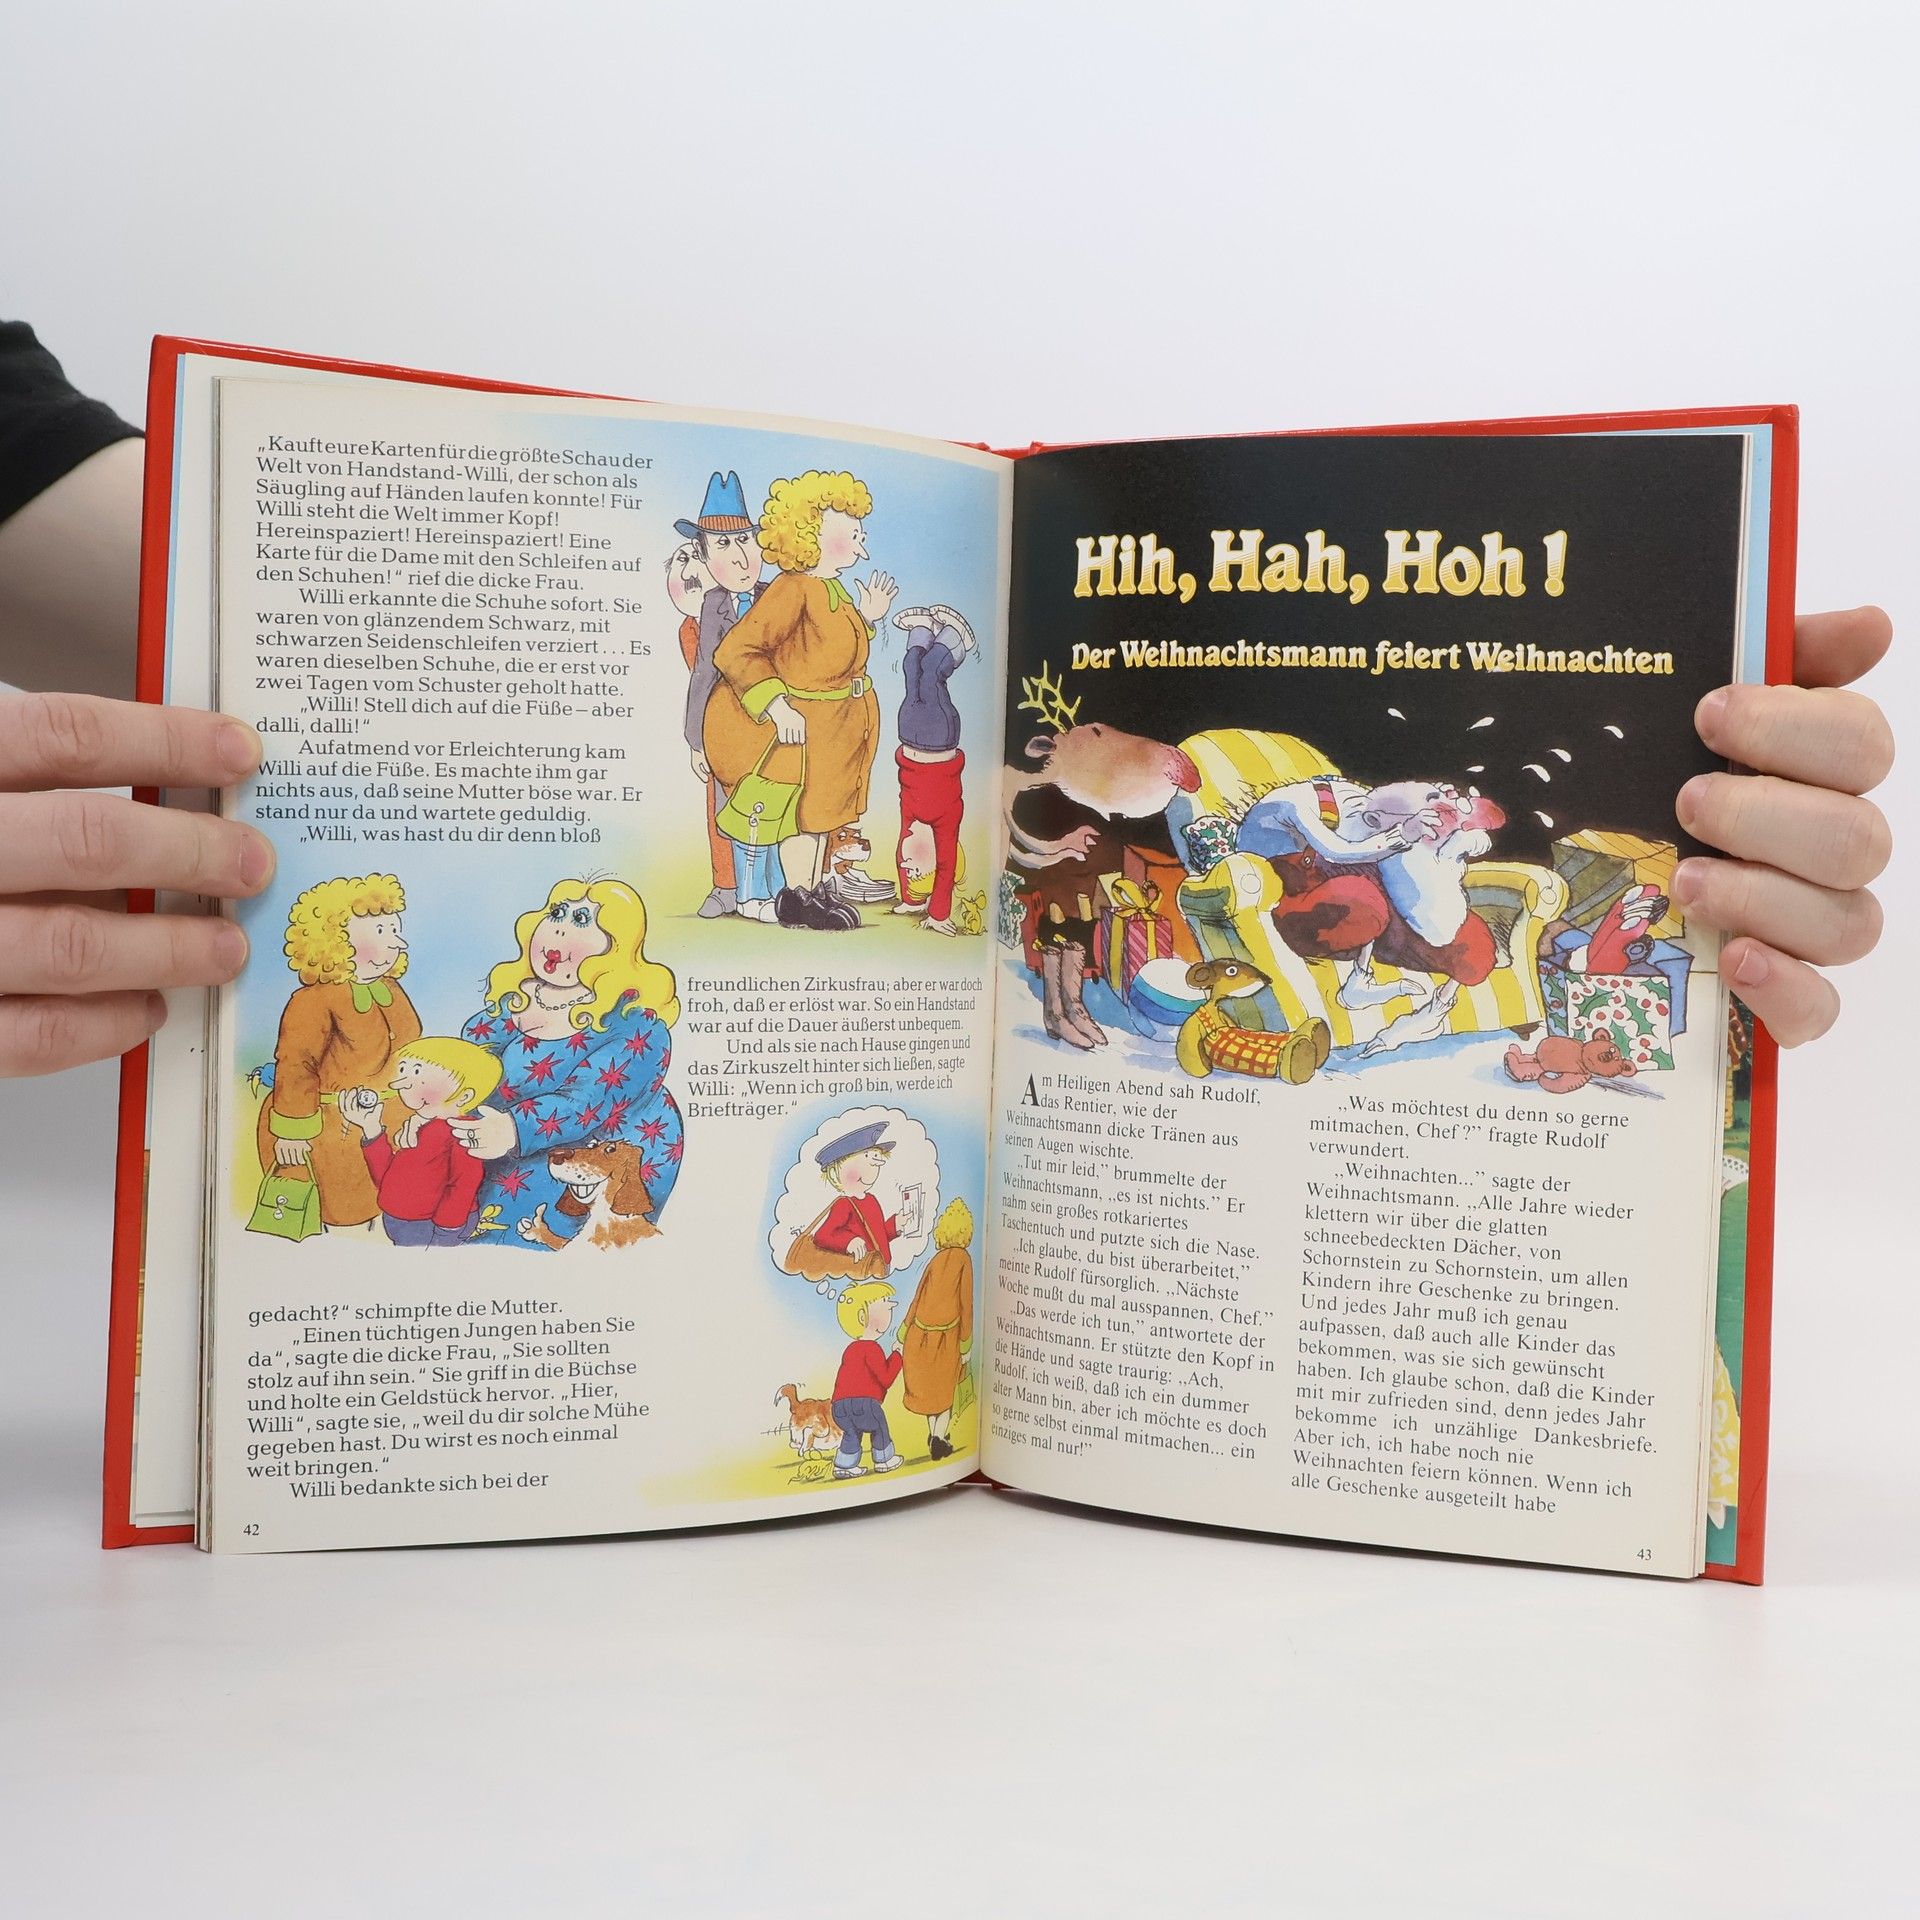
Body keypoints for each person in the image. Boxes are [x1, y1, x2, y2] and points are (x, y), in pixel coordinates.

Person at [0, 321, 1899, 1072]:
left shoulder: (1234, 804)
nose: (831, 554)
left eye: (832, 540)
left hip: (902, 772)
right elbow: (745, 676)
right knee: (784, 838)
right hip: (817, 764)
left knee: (859, 838)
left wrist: (1666, 704)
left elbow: (71, 504)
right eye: (822, 537)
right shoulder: (781, 619)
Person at [701, 469, 898, 930]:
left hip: (837, 728)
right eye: (850, 529)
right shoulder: (793, 588)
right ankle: (798, 898)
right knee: (802, 815)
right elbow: (736, 651)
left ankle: (813, 891)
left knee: (822, 815)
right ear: (811, 532)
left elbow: (831, 651)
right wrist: (776, 705)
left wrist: (868, 619)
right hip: (804, 732)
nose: (861, 538)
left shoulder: (832, 588)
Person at [450, 876, 685, 1248]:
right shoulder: (515, 999)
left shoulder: (636, 1023)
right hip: (493, 1144)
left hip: (587, 1156)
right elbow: (471, 1059)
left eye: (581, 920)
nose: (558, 930)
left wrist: (513, 1129)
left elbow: (586, 1103)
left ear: (615, 945)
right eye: (556, 914)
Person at [256, 874, 421, 1230]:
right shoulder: (313, 999)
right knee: (339, 1219)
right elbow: (295, 1064)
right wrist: (292, 1129)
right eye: (382, 931)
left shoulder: (392, 989)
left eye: (395, 930)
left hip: (390, 1127)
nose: (398, 942)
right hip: (332, 1133)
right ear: (335, 937)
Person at [674, 472, 769, 919]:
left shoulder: (777, 595)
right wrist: (696, 742)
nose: (739, 556)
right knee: (723, 806)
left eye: (745, 540)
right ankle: (727, 887)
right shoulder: (714, 604)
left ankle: (778, 888)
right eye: (724, 544)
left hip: (771, 724)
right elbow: (703, 673)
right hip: (724, 727)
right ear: (706, 555)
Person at [341, 1036, 501, 1247]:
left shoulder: (462, 1132)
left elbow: (464, 1184)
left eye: (417, 1072)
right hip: (400, 1222)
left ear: (463, 1097)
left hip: (433, 1228)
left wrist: (447, 1230)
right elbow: (388, 1181)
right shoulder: (416, 1127)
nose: (401, 1083)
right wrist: (371, 1128)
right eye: (402, 1070)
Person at [890, 603, 973, 935]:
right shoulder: (939, 819)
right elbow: (941, 863)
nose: (907, 861)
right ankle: (947, 636)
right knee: (926, 675)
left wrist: (933, 912)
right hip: (934, 736)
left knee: (916, 671)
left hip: (916, 739)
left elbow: (937, 862)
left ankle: (937, 633)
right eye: (913, 867)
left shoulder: (918, 822)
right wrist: (918, 904)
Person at [900, 1197, 975, 1460]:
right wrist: (966, 1344)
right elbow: (966, 1304)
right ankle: (938, 1438)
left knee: (932, 1392)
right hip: (946, 1338)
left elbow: (917, 1296)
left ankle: (935, 1436)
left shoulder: (936, 1258)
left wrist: (902, 1332)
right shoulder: (963, 1258)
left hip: (919, 1335)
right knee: (944, 1393)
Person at [830, 1279, 906, 1478]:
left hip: (839, 1406)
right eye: (885, 1307)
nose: (890, 1313)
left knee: (851, 1434)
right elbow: (886, 1378)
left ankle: (845, 1465)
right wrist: (897, 1356)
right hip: (864, 1404)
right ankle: (884, 1460)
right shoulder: (872, 1348)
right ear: (863, 1316)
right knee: (879, 1428)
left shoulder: (851, 1349)